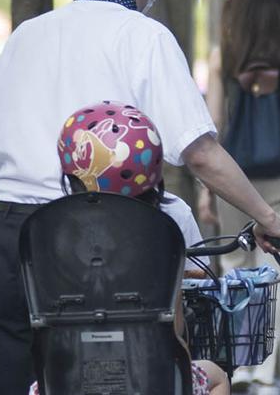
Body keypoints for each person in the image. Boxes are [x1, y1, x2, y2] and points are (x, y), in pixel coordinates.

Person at [0, 0, 280, 394]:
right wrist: (270, 219)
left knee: (11, 382)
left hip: (13, 241)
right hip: (113, 245)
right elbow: (200, 153)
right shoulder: (144, 37)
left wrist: (29, 224)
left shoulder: (25, 36)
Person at [26, 102, 228, 395]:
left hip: (66, 378)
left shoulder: (53, 229)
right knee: (218, 375)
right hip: (151, 375)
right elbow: (176, 328)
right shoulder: (168, 222)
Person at [199, 0, 280, 392]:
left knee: (235, 268)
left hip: (234, 176)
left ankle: (238, 368)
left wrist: (206, 190)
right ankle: (269, 378)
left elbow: (213, 125)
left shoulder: (225, 56)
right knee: (278, 274)